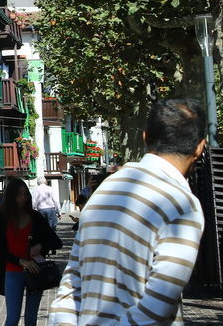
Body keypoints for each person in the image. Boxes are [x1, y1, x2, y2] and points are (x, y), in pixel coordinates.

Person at [48, 98, 207, 326]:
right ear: (200, 147)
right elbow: (159, 305)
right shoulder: (182, 205)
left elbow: (72, 282)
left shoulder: (104, 191)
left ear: (145, 137)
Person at [0, 177, 63, 326]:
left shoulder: (35, 217)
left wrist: (41, 245)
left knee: (31, 319)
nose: (23, 198)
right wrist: (21, 261)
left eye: (25, 194)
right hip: (13, 271)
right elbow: (0, 250)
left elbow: (57, 242)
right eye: (19, 195)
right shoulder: (0, 219)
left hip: (35, 271)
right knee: (12, 318)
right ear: (11, 196)